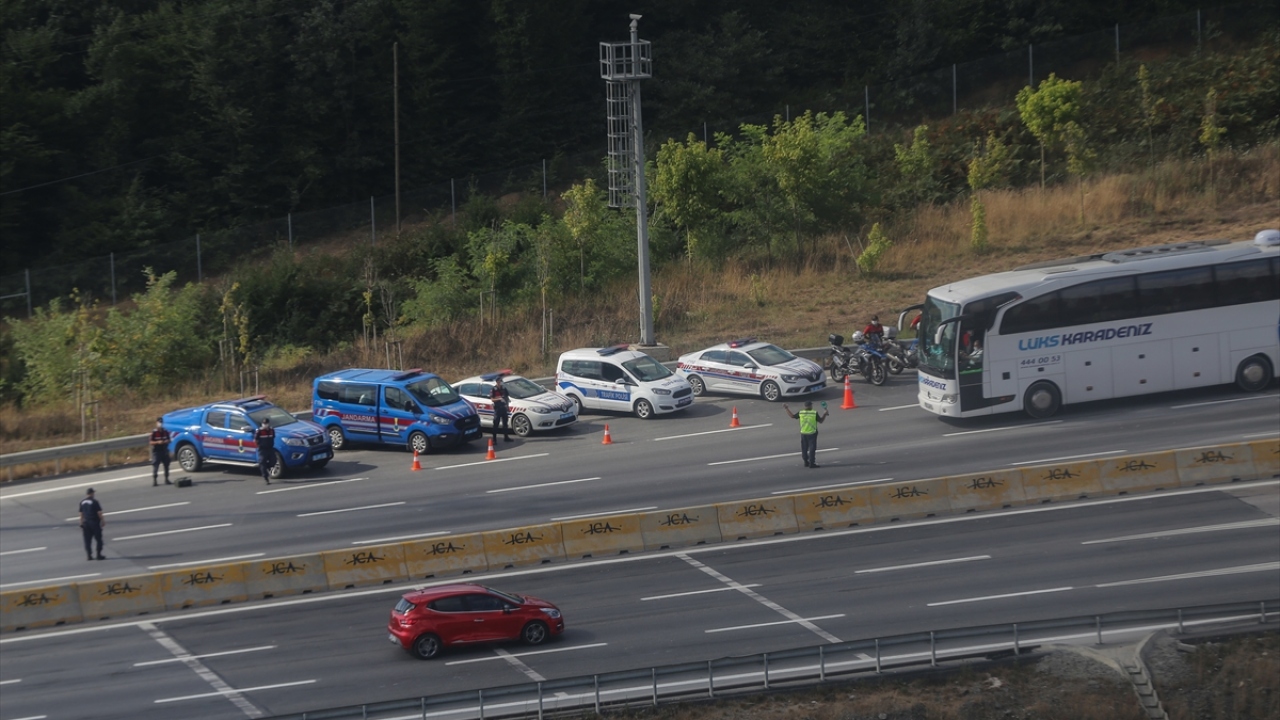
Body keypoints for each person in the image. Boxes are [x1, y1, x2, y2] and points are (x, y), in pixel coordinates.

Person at [783, 400, 829, 469]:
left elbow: (792, 416)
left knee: (804, 449)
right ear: (810, 406)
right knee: (812, 449)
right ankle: (812, 463)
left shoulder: (801, 413)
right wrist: (825, 414)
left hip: (803, 433)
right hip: (812, 433)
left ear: (805, 406)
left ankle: (805, 461)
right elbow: (821, 421)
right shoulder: (814, 413)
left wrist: (786, 408)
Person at [79, 488, 105, 560]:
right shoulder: (95, 501)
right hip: (94, 523)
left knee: (87, 540)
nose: (94, 494)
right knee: (98, 539)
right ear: (91, 493)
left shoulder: (82, 502)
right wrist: (103, 520)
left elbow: (81, 514)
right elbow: (99, 512)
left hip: (86, 523)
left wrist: (81, 523)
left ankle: (89, 555)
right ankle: (98, 555)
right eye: (93, 493)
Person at [149, 417, 172, 486]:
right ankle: (155, 480)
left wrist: (166, 441)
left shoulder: (165, 431)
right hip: (157, 451)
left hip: (164, 450)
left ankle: (166, 479)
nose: (160, 424)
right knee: (156, 466)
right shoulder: (154, 432)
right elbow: (151, 442)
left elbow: (169, 440)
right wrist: (158, 442)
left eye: (161, 422)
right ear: (156, 423)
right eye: (159, 422)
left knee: (166, 465)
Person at [255, 417, 276, 484]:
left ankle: (265, 467)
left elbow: (273, 437)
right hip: (262, 449)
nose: (265, 424)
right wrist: (258, 446)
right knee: (263, 462)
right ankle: (265, 478)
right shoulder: (259, 431)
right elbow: (255, 439)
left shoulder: (271, 430)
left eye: (266, 423)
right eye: (264, 423)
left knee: (273, 461)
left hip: (270, 448)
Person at [490, 377, 511, 441]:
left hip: (503, 408)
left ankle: (506, 437)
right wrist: (499, 399)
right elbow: (492, 399)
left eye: (501, 381)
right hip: (497, 409)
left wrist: (507, 406)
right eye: (499, 381)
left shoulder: (504, 388)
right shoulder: (493, 389)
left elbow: (507, 397)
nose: (500, 382)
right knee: (496, 424)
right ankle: (494, 439)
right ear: (497, 382)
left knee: (505, 423)